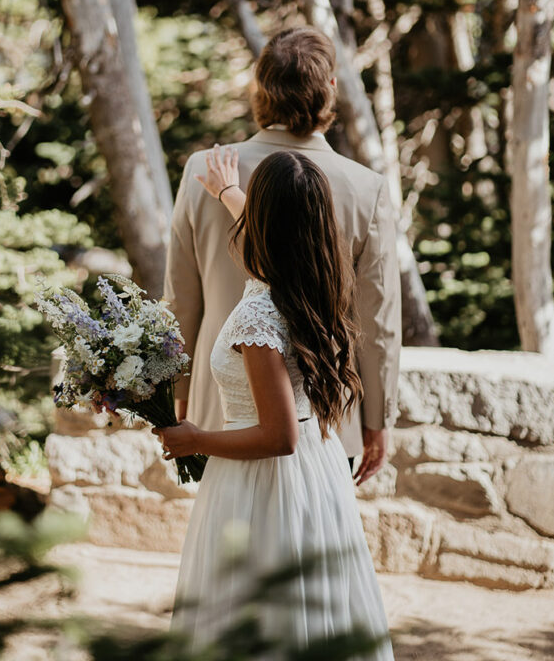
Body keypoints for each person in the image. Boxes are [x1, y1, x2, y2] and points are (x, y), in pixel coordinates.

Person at [154, 149, 394, 656]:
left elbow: (277, 436)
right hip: (318, 467)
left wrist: (194, 438)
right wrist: (227, 192)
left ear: (261, 222)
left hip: (263, 484)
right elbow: (285, 226)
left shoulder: (257, 319)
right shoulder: (313, 279)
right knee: (312, 612)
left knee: (258, 617)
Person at [164, 27, 401, 481]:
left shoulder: (204, 170)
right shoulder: (364, 189)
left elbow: (181, 296)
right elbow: (379, 319)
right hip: (326, 413)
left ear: (260, 88)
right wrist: (377, 419)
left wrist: (179, 388)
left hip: (218, 405)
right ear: (330, 89)